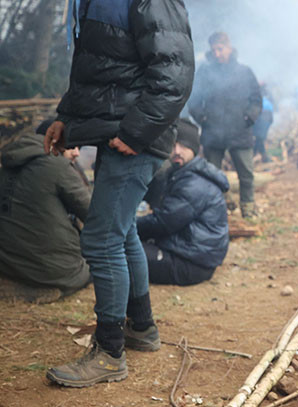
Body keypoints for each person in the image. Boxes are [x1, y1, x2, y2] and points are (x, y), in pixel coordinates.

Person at [43, 0, 194, 387]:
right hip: (114, 132)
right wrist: (66, 118)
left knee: (101, 237)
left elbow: (174, 74)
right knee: (122, 231)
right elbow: (95, 70)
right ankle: (140, 327)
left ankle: (109, 353)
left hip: (135, 138)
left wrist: (135, 131)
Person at [0, 123, 90, 300]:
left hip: (8, 265)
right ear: (53, 140)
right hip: (53, 270)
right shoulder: (58, 167)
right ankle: (47, 290)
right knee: (98, 265)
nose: (77, 153)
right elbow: (93, 213)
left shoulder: (6, 168)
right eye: (71, 146)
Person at [137, 119, 229, 286]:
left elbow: (163, 223)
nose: (177, 151)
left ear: (194, 149)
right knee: (128, 246)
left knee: (123, 252)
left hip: (191, 264)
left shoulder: (194, 183)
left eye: (184, 146)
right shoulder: (180, 173)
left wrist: (126, 229)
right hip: (191, 255)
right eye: (173, 145)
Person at [188, 31, 262, 219]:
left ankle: (248, 210)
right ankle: (218, 208)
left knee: (246, 175)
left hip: (240, 131)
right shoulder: (205, 72)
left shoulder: (245, 72)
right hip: (213, 132)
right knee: (212, 174)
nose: (217, 54)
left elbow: (257, 100)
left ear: (229, 48)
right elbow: (194, 99)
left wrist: (249, 118)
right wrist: (202, 118)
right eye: (214, 50)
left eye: (220, 49)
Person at [253, 91, 274, 164]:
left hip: (262, 122)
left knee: (259, 139)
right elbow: (271, 119)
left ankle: (259, 156)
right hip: (266, 122)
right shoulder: (268, 103)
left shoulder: (259, 102)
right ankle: (262, 157)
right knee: (260, 139)